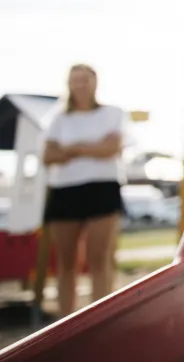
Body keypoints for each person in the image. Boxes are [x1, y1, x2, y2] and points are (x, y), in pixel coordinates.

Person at [40, 63, 129, 316]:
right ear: (68, 84)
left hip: (102, 189)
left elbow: (111, 148)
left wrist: (73, 149)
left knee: (99, 259)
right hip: (65, 191)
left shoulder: (113, 113)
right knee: (66, 262)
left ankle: (100, 317)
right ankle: (64, 321)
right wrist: (92, 148)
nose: (81, 84)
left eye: (85, 79)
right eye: (75, 79)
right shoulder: (58, 117)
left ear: (95, 82)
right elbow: (48, 155)